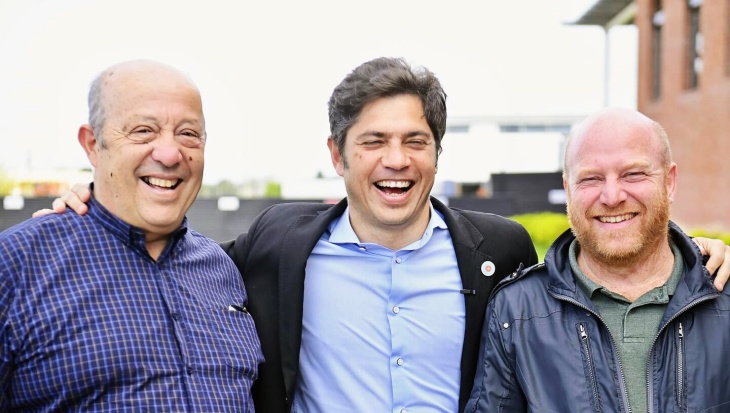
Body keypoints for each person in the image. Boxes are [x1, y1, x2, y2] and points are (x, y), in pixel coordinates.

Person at [40, 59, 730, 413]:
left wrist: (687, 252)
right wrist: (93, 200)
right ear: (337, 155)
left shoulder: (499, 251)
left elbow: (602, 258)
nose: (395, 160)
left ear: (436, 153)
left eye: (414, 141)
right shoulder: (278, 244)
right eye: (372, 141)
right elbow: (169, 256)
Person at [1, 60, 263, 411]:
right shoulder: (16, 267)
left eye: (188, 134)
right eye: (143, 131)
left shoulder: (224, 270)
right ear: (92, 144)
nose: (169, 154)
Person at [466, 108, 730, 412]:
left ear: (669, 182)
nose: (612, 196)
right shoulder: (516, 311)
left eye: (633, 174)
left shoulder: (722, 292)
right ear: (568, 190)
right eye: (591, 178)